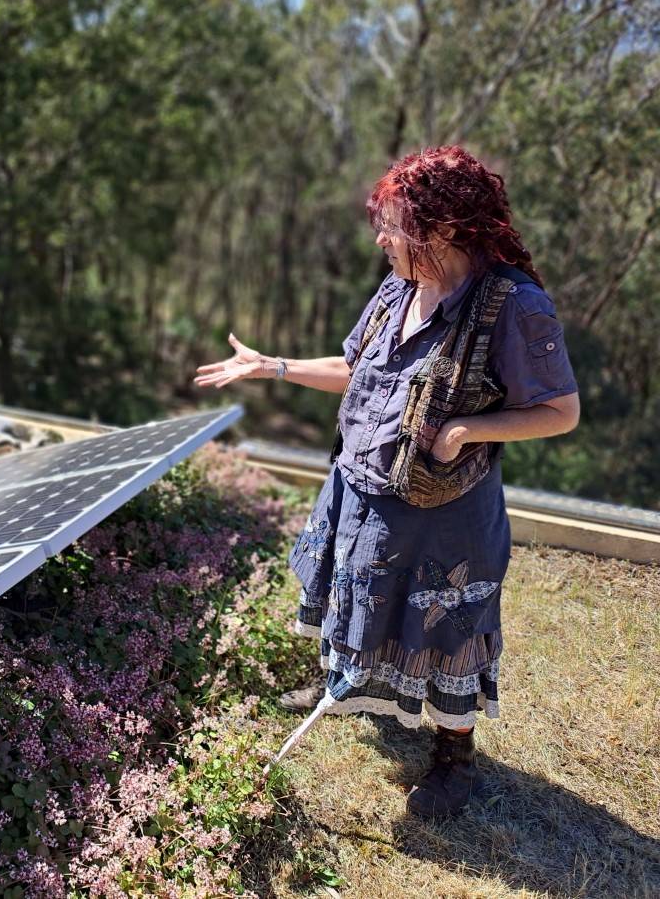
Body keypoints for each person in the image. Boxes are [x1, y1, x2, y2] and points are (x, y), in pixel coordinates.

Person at [192, 145, 580, 819]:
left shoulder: (513, 305)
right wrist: (273, 367)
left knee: (444, 629)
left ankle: (454, 757)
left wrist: (466, 431)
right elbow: (357, 369)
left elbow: (559, 411)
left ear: (447, 229)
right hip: (363, 483)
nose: (382, 238)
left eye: (395, 225)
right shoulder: (401, 284)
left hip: (444, 514)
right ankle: (347, 689)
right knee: (361, 601)